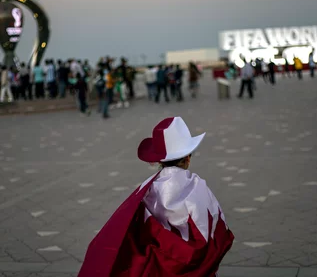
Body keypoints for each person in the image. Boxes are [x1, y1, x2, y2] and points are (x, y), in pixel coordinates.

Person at [78, 117, 234, 277]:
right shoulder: (198, 186)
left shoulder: (147, 188)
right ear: (187, 158)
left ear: (159, 160)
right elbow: (217, 228)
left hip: (159, 267)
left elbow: (136, 229)